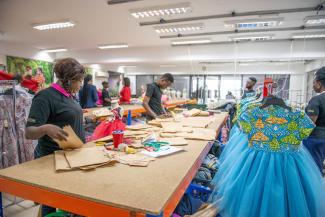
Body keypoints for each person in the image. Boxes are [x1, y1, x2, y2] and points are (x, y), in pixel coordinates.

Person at [25, 58, 85, 216]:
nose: (81, 85)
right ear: (69, 80)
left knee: (69, 198)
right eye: (79, 81)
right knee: (50, 200)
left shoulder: (69, 96)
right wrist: (45, 128)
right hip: (52, 158)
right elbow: (29, 131)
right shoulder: (45, 97)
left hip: (71, 157)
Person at [304, 66, 325, 175]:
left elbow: (310, 123)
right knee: (319, 162)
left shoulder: (316, 99)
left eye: (313, 83)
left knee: (314, 167)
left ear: (319, 83)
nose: (312, 86)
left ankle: (316, 190)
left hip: (315, 139)